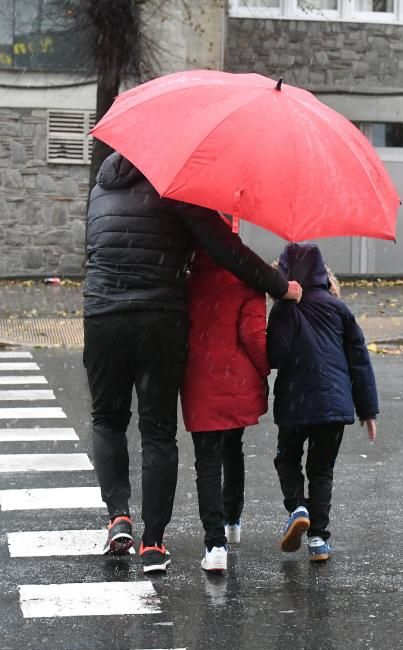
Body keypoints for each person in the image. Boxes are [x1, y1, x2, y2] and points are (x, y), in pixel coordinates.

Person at [84, 150, 302, 575]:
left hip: (101, 316)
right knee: (158, 431)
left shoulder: (100, 190)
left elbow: (94, 252)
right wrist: (281, 287)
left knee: (107, 420)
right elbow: (227, 250)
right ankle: (152, 543)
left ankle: (117, 516)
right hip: (158, 320)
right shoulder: (177, 190)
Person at [266, 243, 378, 562]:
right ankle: (318, 539)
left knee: (287, 459)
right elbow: (359, 359)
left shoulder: (284, 309)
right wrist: (367, 410)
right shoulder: (338, 309)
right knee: (322, 470)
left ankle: (297, 507)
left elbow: (276, 356)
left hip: (293, 403)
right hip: (334, 404)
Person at [181, 250, 270, 573]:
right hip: (237, 380)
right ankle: (233, 521)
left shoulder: (188, 281)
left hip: (199, 380)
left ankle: (214, 543)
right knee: (233, 449)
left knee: (206, 460)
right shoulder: (248, 280)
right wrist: (264, 369)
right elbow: (253, 335)